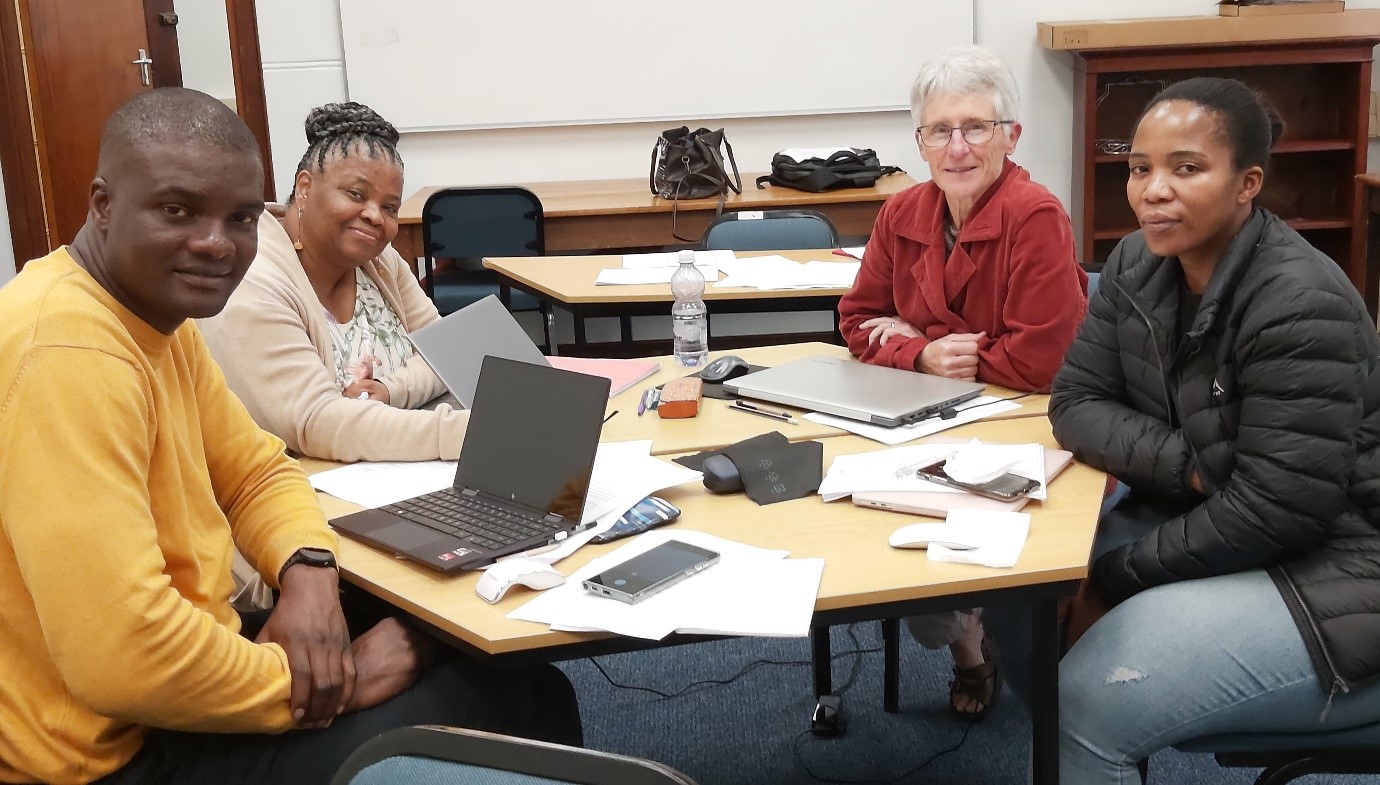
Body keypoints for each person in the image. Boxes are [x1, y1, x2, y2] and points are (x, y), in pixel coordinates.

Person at [0, 87, 580, 785]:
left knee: (484, 660)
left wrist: (309, 573)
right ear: (102, 205)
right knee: (504, 696)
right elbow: (126, 658)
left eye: (240, 218)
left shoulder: (153, 319)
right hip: (114, 752)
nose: (215, 244)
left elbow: (258, 472)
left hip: (185, 674)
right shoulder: (67, 352)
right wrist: (340, 682)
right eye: (176, 210)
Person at [990, 76, 1380, 783]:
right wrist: (1195, 466)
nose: (1152, 190)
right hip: (1204, 510)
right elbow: (1075, 402)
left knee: (1086, 705)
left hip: (1336, 566)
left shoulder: (1300, 302)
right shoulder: (1139, 264)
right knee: (1020, 598)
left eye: (1187, 168)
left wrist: (1117, 577)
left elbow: (1283, 509)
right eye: (1141, 168)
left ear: (1247, 183)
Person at [836, 45, 1087, 722]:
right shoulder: (902, 213)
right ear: (920, 141)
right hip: (923, 415)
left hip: (1025, 426)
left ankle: (995, 647)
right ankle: (967, 642)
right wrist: (920, 356)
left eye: (975, 126)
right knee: (875, 525)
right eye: (939, 130)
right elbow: (857, 319)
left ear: (1011, 134)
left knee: (962, 554)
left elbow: (1043, 361)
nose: (957, 147)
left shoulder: (1036, 215)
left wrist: (925, 343)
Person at [199, 101, 466, 466]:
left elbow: (448, 351)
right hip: (301, 490)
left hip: (392, 474)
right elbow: (316, 422)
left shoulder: (378, 261)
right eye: (356, 195)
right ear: (304, 188)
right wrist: (467, 435)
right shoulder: (251, 281)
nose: (374, 216)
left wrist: (390, 391)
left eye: (389, 207)